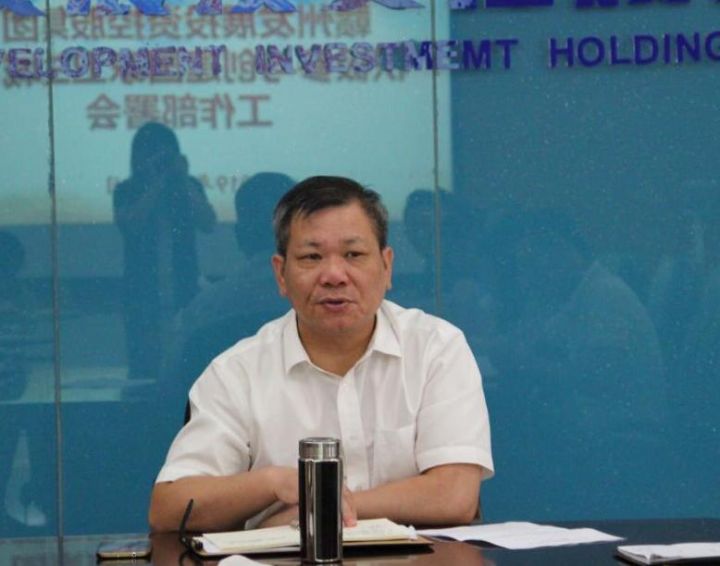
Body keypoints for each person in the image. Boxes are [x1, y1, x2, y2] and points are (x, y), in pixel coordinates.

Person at [148, 176, 493, 533]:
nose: (334, 275)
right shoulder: (237, 372)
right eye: (311, 257)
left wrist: (318, 509)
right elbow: (169, 510)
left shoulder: (436, 348)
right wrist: (272, 483)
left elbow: (455, 496)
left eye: (353, 255)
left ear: (387, 266)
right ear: (281, 275)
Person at [114, 123, 216, 381]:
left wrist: (182, 179)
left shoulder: (188, 186)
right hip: (141, 292)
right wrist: (157, 183)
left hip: (185, 288)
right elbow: (131, 225)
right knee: (143, 368)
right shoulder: (126, 189)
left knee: (189, 366)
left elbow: (208, 223)